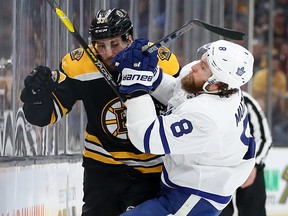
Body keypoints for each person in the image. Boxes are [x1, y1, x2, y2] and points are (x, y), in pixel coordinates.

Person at [20, 8, 180, 216]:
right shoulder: (80, 65)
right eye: (100, 45)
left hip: (151, 170)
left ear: (129, 39)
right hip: (102, 166)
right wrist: (36, 97)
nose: (108, 53)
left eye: (115, 43)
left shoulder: (160, 61)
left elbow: (184, 108)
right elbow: (44, 116)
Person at [113, 39, 256, 215]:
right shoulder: (219, 86)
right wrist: (149, 72)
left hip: (196, 196)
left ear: (217, 85)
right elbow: (179, 95)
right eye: (202, 60)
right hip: (183, 179)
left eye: (203, 67)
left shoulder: (210, 118)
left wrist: (136, 88)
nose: (194, 66)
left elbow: (146, 137)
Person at [196, 43, 273, 216]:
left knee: (254, 210)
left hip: (248, 164)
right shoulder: (202, 103)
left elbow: (264, 138)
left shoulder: (247, 102)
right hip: (218, 168)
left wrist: (254, 166)